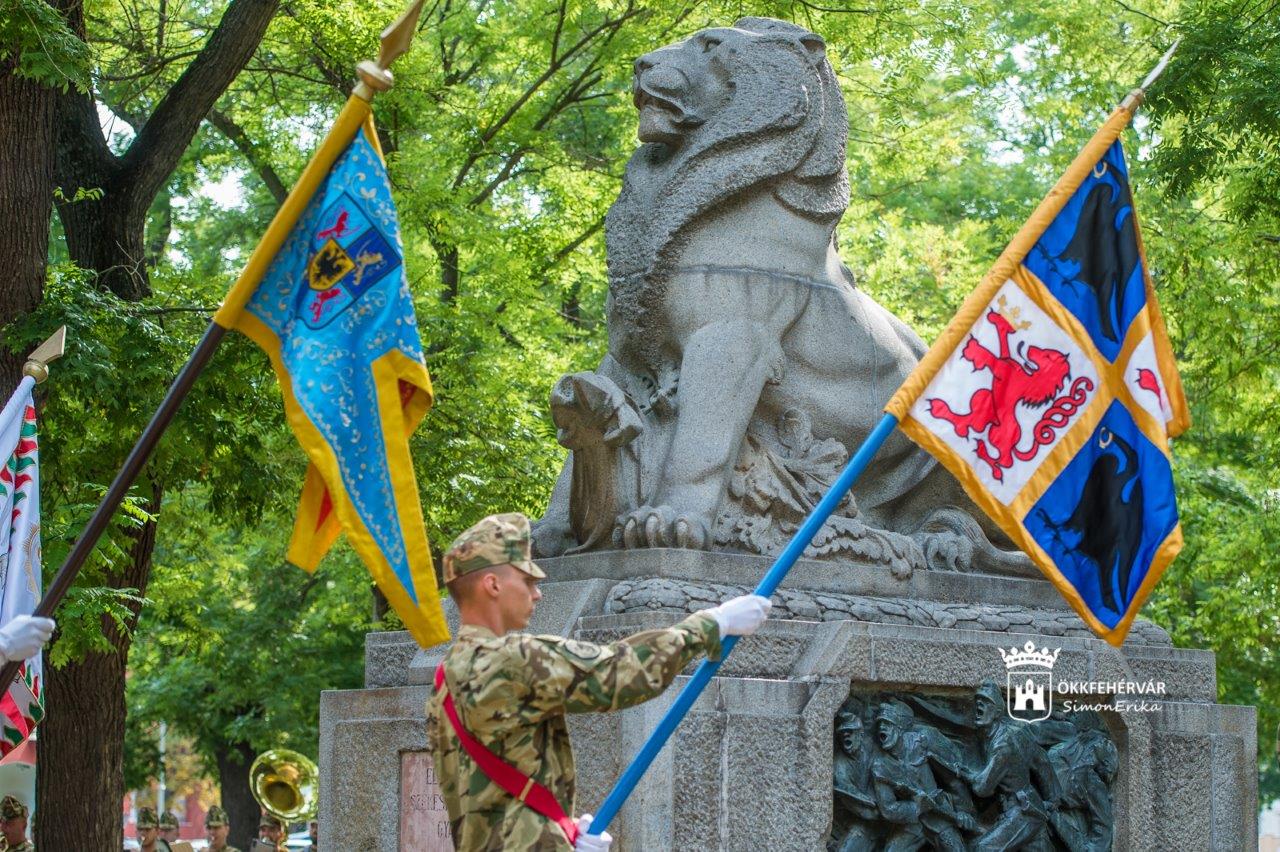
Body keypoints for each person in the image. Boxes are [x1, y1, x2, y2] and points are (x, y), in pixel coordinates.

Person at [426, 512, 771, 852]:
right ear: (493, 585)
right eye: (528, 581)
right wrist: (711, 623)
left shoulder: (444, 679)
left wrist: (558, 833)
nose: (537, 594)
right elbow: (621, 674)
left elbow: (487, 801)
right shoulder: (513, 659)